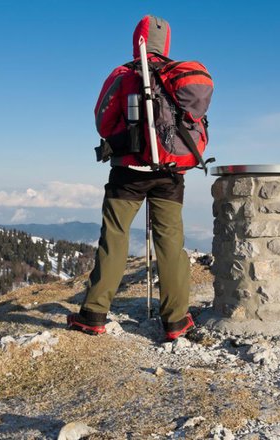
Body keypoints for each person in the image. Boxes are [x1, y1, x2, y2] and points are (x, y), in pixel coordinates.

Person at [67, 15, 198, 341]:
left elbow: (102, 121)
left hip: (128, 173)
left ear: (136, 39)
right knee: (170, 243)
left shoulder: (124, 74)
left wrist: (127, 138)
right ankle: (176, 321)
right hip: (171, 172)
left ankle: (94, 315)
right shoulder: (179, 77)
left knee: (115, 237)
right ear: (166, 42)